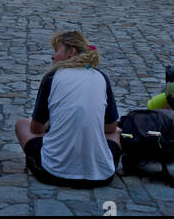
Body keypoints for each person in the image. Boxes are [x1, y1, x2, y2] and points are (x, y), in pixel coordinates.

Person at [15, 30, 121, 188]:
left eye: (56, 51)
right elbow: (110, 127)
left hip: (54, 172)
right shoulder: (101, 77)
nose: (53, 56)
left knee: (22, 124)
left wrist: (50, 124)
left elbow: (36, 129)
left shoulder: (52, 77)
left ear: (71, 52)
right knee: (116, 132)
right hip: (101, 175)